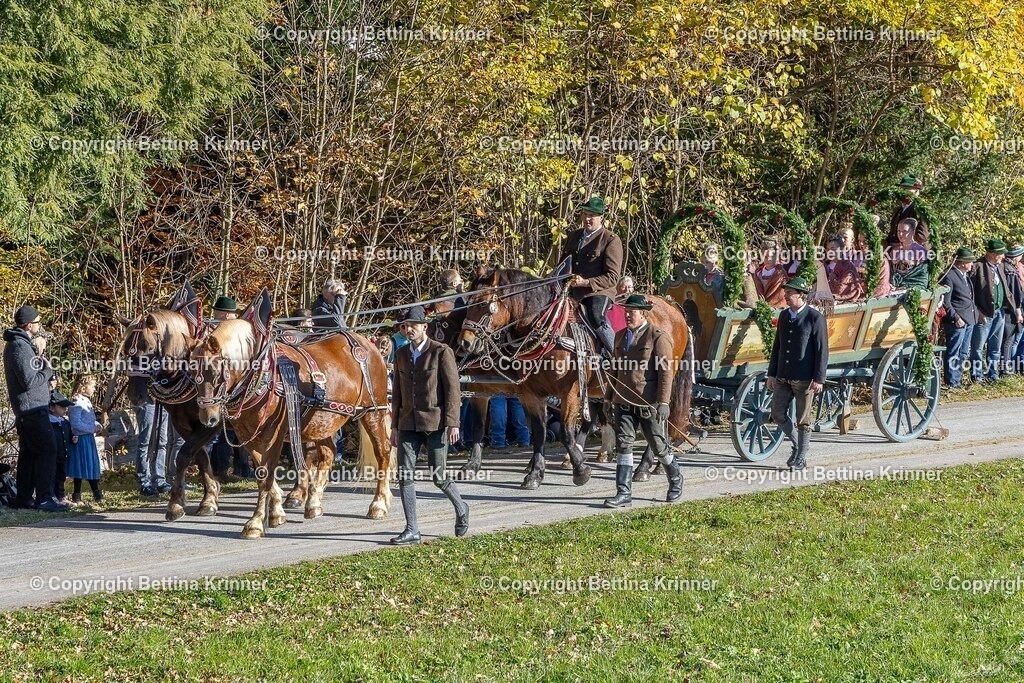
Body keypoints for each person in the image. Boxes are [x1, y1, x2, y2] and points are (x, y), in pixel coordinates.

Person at [389, 305, 468, 545]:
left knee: (439, 476)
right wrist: (394, 426)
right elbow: (399, 392)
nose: (408, 329)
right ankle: (412, 528)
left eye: (413, 325)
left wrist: (453, 423)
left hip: (436, 423)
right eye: (405, 326)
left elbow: (454, 390)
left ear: (425, 326)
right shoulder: (401, 354)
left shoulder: (441, 352)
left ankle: (461, 506)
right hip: (407, 422)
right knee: (404, 474)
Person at [603, 294, 682, 508]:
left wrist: (664, 403)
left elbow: (666, 373)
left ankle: (675, 478)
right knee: (624, 444)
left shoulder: (658, 337)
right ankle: (623, 493)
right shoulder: (619, 336)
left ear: (643, 313)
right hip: (622, 401)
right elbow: (614, 370)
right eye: (626, 311)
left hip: (648, 403)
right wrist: (609, 398)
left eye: (632, 312)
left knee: (658, 445)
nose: (628, 315)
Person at [3, 305, 68, 511]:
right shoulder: (18, 347)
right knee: (48, 450)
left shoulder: (22, 344)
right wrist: (48, 371)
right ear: (29, 325)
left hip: (32, 407)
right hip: (31, 409)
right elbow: (29, 381)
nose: (40, 327)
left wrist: (40, 357)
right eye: (38, 323)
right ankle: (44, 498)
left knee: (29, 455)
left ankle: (23, 497)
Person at [767, 277, 828, 471]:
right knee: (777, 414)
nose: (785, 295)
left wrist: (819, 378)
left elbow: (822, 350)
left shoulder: (814, 318)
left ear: (800, 295)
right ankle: (796, 444)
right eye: (785, 292)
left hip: (804, 378)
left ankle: (801, 456)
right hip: (784, 375)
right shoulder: (784, 316)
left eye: (789, 293)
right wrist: (772, 373)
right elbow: (777, 346)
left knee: (803, 419)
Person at [559, 196, 624, 357]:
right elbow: (561, 266)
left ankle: (616, 355)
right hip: (570, 290)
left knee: (596, 315)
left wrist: (585, 282)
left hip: (597, 292)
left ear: (601, 217)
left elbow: (612, 277)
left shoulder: (610, 240)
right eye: (585, 214)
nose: (587, 219)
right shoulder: (573, 236)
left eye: (592, 216)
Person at [970, 239, 1019, 383]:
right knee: (978, 348)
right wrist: (977, 311)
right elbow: (970, 293)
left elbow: (1006, 289)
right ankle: (977, 376)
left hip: (999, 312)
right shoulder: (978, 266)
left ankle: (993, 374)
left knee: (995, 347)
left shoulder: (1001, 266)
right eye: (1000, 254)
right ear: (991, 254)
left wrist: (1015, 310)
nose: (1003, 256)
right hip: (984, 313)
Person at [939, 248, 978, 388]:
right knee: (954, 351)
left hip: (969, 319)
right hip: (957, 321)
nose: (972, 264)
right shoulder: (949, 276)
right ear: (962, 262)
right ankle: (951, 381)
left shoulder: (964, 275)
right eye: (970, 262)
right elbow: (945, 302)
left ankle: (958, 379)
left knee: (963, 352)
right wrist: (955, 318)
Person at [68, 375, 104, 504]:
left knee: (90, 465)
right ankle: (79, 494)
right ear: (83, 388)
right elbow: (76, 423)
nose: (94, 389)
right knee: (82, 466)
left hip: (88, 438)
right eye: (92, 386)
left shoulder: (86, 401)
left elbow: (89, 419)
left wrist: (97, 425)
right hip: (81, 439)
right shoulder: (76, 402)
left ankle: (94, 493)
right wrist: (91, 429)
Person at [886, 175, 930, 249]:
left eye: (906, 189)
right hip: (896, 254)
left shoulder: (921, 209)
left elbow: (922, 237)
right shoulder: (898, 209)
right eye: (901, 189)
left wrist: (902, 247)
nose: (902, 193)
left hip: (916, 253)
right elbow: (893, 234)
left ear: (916, 191)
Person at [1001, 244, 1024, 375]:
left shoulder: (1008, 267)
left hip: (1011, 308)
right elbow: (1015, 293)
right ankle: (1007, 370)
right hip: (1011, 310)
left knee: (1011, 341)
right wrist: (1018, 311)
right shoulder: (1010, 270)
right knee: (1009, 341)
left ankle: (1009, 368)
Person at [888, 218, 929, 290]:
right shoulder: (894, 250)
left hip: (912, 289)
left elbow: (922, 277)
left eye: (905, 231)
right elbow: (890, 272)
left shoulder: (920, 252)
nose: (900, 234)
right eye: (898, 231)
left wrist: (905, 287)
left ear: (913, 232)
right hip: (894, 288)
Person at [48, 390, 74, 507]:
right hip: (52, 454)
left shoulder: (65, 422)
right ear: (52, 408)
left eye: (65, 407)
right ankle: (52, 496)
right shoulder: (48, 423)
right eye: (61, 406)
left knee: (61, 475)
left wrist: (73, 439)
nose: (65, 409)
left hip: (63, 454)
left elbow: (69, 435)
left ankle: (61, 496)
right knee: (51, 475)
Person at [853, 226, 892, 298]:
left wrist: (865, 296)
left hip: (875, 298)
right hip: (856, 294)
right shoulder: (856, 257)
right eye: (859, 241)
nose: (861, 244)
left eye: (865, 242)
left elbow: (882, 286)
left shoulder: (881, 261)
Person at [823, 237, 861, 303]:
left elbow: (843, 289)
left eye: (833, 249)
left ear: (841, 249)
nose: (829, 252)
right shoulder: (825, 264)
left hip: (840, 302)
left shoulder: (848, 266)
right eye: (828, 249)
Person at [751, 239, 788, 307]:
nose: (768, 259)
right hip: (759, 305)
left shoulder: (780, 273)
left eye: (771, 256)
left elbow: (783, 292)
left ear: (776, 256)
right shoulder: (758, 273)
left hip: (777, 307)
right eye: (765, 256)